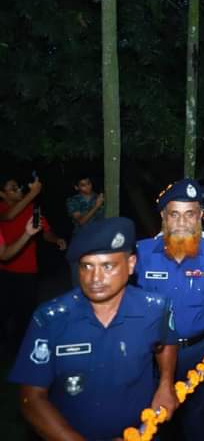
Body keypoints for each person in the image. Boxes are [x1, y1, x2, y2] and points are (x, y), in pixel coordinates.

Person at [8, 217, 179, 440]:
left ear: (130, 265)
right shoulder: (50, 319)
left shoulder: (156, 309)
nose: (94, 278)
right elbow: (31, 397)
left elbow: (167, 341)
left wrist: (166, 382)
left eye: (107, 266)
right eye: (87, 266)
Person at [135, 178, 204, 441]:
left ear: (200, 218)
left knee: (199, 423)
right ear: (163, 217)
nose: (182, 222)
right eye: (175, 214)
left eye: (190, 214)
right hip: (152, 356)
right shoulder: (141, 253)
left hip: (199, 351)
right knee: (153, 423)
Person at [1, 175, 67, 350]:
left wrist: (56, 240)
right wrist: (34, 192)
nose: (18, 190)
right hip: (4, 270)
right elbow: (8, 216)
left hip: (28, 270)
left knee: (24, 315)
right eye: (12, 188)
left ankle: (19, 351)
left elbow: (45, 231)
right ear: (2, 194)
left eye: (18, 187)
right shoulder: (3, 208)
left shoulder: (31, 209)